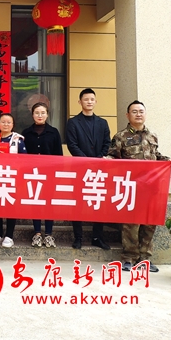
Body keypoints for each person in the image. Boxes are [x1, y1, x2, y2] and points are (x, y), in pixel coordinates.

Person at [106, 100, 171, 273]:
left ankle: (145, 258)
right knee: (131, 224)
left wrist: (167, 161)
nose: (138, 114)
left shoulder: (152, 136)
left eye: (141, 111)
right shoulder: (121, 136)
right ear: (127, 115)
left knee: (149, 223)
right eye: (134, 111)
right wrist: (108, 160)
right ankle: (128, 258)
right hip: (131, 187)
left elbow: (156, 155)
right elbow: (113, 156)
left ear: (145, 114)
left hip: (151, 187)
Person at [65, 88, 112, 250]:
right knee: (78, 202)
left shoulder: (102, 123)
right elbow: (72, 145)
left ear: (96, 101)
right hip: (79, 168)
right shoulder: (73, 122)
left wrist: (98, 159)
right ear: (80, 102)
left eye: (92, 99)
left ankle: (97, 237)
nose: (89, 102)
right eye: (86, 99)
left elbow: (107, 144)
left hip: (99, 169)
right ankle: (78, 237)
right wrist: (87, 161)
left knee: (99, 202)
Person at [21, 102, 63, 248]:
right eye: (37, 113)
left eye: (43, 113)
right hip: (33, 174)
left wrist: (58, 173)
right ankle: (37, 233)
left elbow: (59, 155)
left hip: (50, 173)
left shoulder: (54, 132)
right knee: (36, 202)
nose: (40, 115)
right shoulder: (26, 133)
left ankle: (49, 234)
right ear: (32, 115)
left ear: (47, 114)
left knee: (49, 203)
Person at [0, 113, 26, 248]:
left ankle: (9, 236)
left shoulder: (17, 140)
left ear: (13, 125)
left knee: (11, 206)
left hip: (12, 177)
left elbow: (24, 159)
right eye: (3, 122)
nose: (6, 124)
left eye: (8, 122)